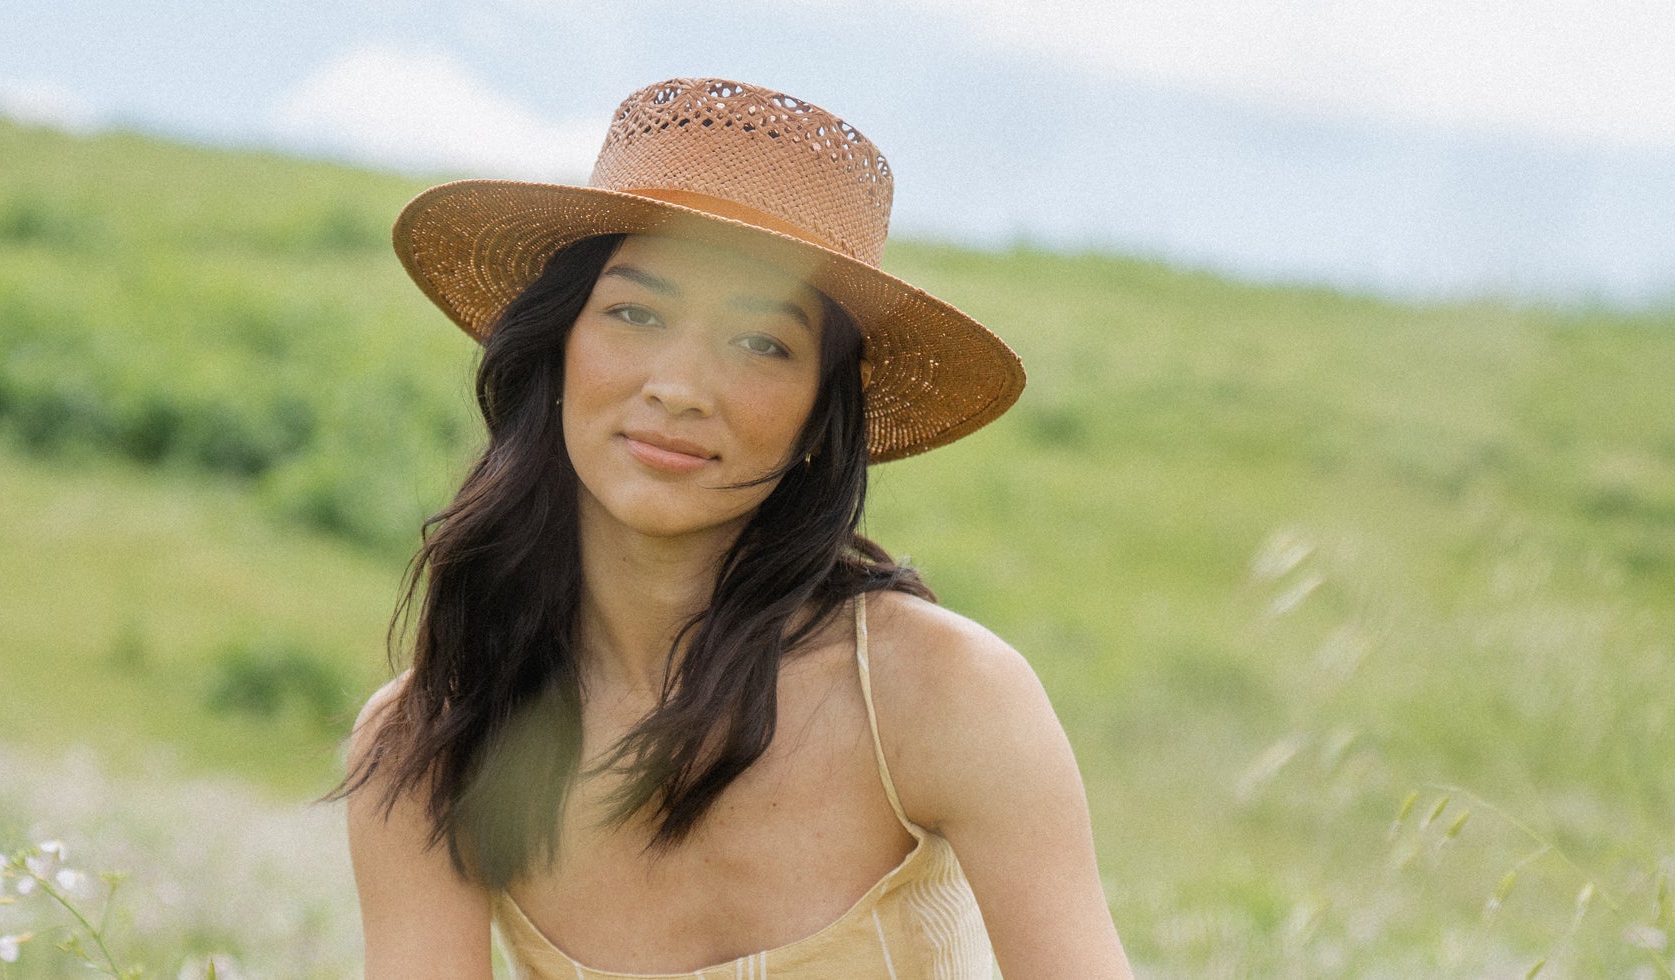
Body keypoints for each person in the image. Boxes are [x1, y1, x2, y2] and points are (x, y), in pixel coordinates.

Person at [336, 78, 1132, 978]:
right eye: (635, 313)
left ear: (821, 412)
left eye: (762, 343)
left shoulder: (938, 695)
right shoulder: (435, 738)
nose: (680, 387)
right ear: (557, 343)